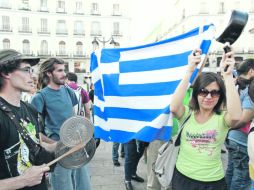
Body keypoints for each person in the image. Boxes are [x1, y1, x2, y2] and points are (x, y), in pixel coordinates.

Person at [170, 48, 242, 190]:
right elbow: (173, 107)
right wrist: (189, 71)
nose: (209, 97)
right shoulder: (187, 114)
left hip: (213, 182)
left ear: (220, 96)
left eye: (215, 93)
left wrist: (227, 76)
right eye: (203, 92)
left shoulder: (222, 118)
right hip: (183, 178)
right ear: (196, 94)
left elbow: (236, 116)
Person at [31, 58, 91, 190]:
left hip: (77, 148)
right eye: (59, 70)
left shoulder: (68, 91)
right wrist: (56, 144)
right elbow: (32, 132)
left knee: (84, 186)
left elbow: (73, 117)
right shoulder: (40, 97)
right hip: (59, 153)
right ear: (48, 73)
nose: (64, 74)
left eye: (64, 70)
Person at [0, 49, 56, 190]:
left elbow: (36, 142)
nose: (33, 75)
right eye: (27, 70)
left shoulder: (29, 109)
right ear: (6, 73)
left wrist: (61, 146)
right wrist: (22, 181)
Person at [226, 58, 254, 190]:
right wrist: (231, 126)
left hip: (232, 137)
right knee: (242, 178)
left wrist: (228, 128)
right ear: (251, 71)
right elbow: (245, 117)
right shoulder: (249, 88)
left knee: (232, 172)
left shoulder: (235, 85)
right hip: (242, 140)